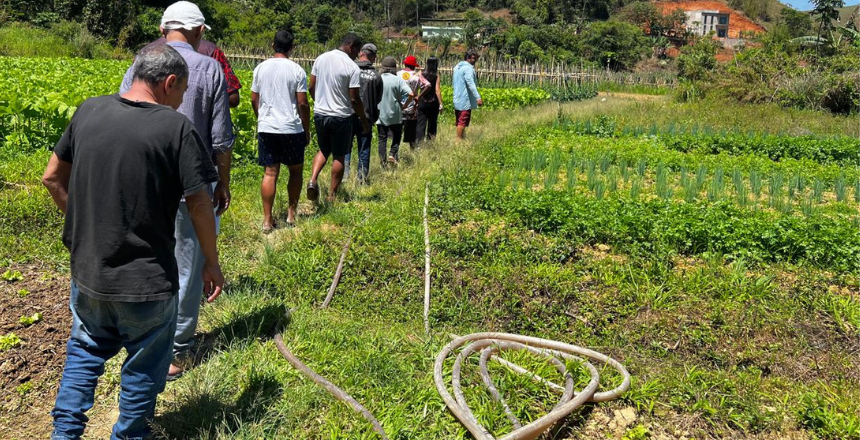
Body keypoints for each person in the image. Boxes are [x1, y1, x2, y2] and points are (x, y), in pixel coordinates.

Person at [43, 44, 224, 440]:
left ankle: (64, 433)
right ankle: (128, 435)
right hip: (147, 280)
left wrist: (83, 224)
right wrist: (210, 262)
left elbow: (52, 178)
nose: (179, 102)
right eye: (181, 92)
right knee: (144, 364)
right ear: (170, 82)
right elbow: (199, 202)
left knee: (84, 352)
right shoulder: (176, 128)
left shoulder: (89, 110)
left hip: (89, 272)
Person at [120, 0, 234, 380]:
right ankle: (176, 347)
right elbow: (220, 136)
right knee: (189, 266)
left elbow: (124, 111)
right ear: (199, 31)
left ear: (163, 28)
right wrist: (222, 181)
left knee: (150, 259)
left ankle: (143, 338)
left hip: (144, 183)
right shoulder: (210, 67)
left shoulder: (142, 62)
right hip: (193, 187)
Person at [251, 30, 310, 231]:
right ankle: (291, 215)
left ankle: (267, 220)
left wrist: (261, 118)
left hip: (267, 127)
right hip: (291, 128)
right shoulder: (297, 70)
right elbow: (302, 103)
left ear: (272, 45)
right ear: (292, 48)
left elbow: (254, 98)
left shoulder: (260, 68)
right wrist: (306, 129)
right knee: (295, 171)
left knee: (270, 172)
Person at [307, 33, 371, 202]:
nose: (357, 55)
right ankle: (332, 196)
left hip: (320, 113)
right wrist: (363, 120)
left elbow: (311, 86)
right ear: (351, 46)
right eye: (357, 50)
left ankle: (313, 180)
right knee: (339, 155)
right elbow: (354, 99)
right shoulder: (352, 67)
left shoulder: (321, 59)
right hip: (341, 116)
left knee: (323, 149)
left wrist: (319, 102)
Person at [146, 36, 243, 108]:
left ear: (162, 28)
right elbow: (233, 99)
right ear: (200, 29)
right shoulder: (211, 50)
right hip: (199, 127)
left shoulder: (146, 52)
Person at [349, 43, 383, 184]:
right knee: (364, 148)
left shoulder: (351, 70)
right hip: (367, 117)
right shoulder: (376, 76)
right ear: (373, 57)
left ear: (361, 54)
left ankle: (344, 177)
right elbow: (378, 98)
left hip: (349, 114)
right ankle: (361, 179)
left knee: (346, 147)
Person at [376, 56, 414, 165]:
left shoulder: (378, 78)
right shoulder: (398, 80)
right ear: (394, 68)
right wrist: (405, 105)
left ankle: (383, 163)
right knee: (397, 135)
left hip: (381, 113)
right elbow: (411, 94)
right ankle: (392, 153)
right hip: (396, 113)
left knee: (382, 139)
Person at [397, 55, 428, 150]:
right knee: (411, 131)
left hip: (398, 107)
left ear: (405, 64)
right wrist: (418, 96)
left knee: (397, 131)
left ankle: (394, 151)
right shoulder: (416, 76)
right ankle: (412, 149)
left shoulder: (397, 74)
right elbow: (428, 85)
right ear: (414, 66)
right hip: (411, 108)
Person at [452, 49, 484, 140]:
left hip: (457, 97)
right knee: (462, 120)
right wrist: (478, 97)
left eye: (476, 58)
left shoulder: (457, 67)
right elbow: (471, 83)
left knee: (459, 119)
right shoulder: (468, 68)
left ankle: (462, 138)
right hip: (465, 98)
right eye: (474, 58)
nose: (475, 60)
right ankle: (458, 140)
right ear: (468, 58)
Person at [416, 56, 443, 143]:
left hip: (422, 101)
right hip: (433, 102)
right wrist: (440, 103)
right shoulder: (436, 75)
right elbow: (437, 90)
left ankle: (419, 142)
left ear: (427, 63)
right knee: (432, 123)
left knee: (421, 122)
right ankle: (430, 142)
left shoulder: (421, 73)